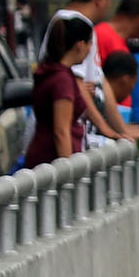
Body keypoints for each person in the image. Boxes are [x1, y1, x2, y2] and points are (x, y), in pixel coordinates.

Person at [46, 0, 138, 144]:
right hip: (71, 131)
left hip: (79, 131)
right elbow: (77, 83)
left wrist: (121, 129)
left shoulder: (65, 19)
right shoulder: (77, 25)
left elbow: (99, 80)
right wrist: (105, 128)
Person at [24, 17, 95, 168]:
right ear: (80, 45)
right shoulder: (63, 80)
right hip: (52, 161)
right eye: (90, 45)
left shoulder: (51, 71)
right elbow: (61, 131)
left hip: (42, 155)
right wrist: (68, 171)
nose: (90, 51)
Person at [101, 53, 139, 147]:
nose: (132, 91)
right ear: (125, 80)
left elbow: (117, 128)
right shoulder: (98, 101)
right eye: (134, 84)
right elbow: (115, 131)